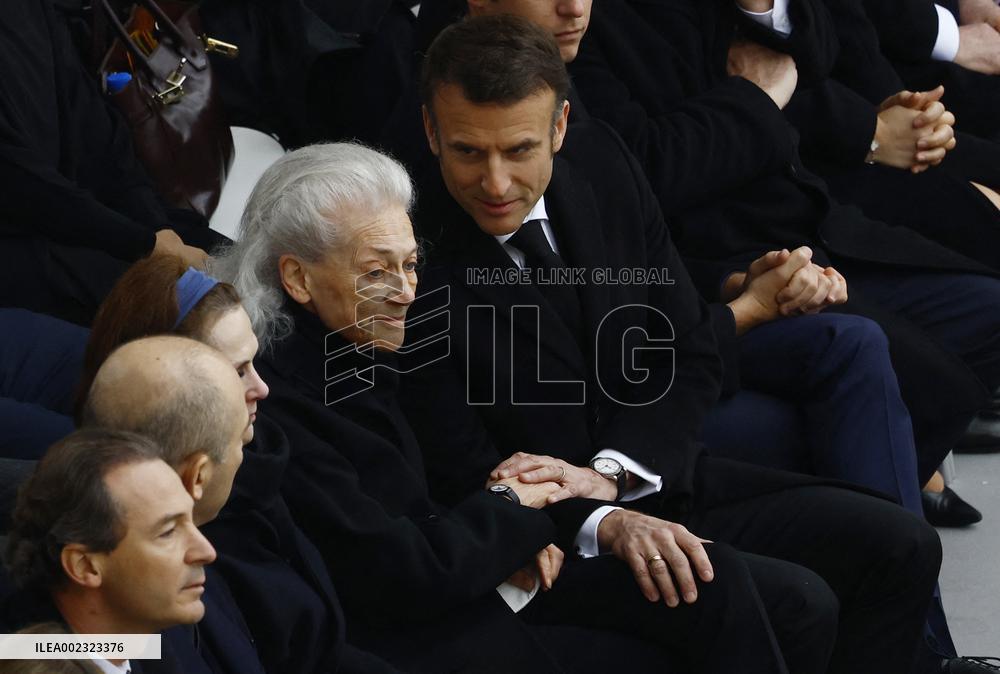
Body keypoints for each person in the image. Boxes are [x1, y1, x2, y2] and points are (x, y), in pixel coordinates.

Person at [403, 15, 946, 673]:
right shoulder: (405, 252)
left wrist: (612, 474)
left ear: (561, 128)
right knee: (796, 600)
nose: (494, 183)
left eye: (519, 151)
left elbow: (686, 349)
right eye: (467, 151)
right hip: (541, 538)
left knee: (903, 544)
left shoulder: (601, 162)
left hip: (649, 469)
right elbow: (453, 464)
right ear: (432, 132)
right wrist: (597, 518)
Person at [0, 0, 219, 324]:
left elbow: (95, 129)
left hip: (83, 212)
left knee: (250, 262)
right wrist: (146, 245)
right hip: (24, 240)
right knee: (193, 311)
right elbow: (22, 185)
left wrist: (159, 229)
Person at [3, 428, 217, 674]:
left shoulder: (151, 635)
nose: (206, 551)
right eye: (168, 532)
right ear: (85, 566)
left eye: (190, 521)